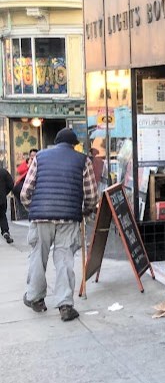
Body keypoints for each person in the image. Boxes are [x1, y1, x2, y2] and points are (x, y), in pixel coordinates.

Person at [20, 130, 97, 321]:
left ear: (55, 142)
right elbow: (92, 195)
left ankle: (35, 298)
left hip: (41, 218)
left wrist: (35, 208)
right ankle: (65, 305)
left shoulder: (39, 157)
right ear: (74, 145)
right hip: (69, 218)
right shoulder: (83, 160)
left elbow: (24, 193)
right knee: (64, 259)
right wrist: (85, 211)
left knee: (38, 256)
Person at [13, 149, 37, 219]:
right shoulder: (26, 162)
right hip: (22, 184)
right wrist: (28, 166)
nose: (33, 157)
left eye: (34, 155)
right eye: (32, 155)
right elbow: (19, 170)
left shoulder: (38, 162)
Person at [0, 160, 13, 243]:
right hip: (1, 199)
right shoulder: (4, 172)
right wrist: (5, 193)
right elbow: (11, 184)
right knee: (2, 216)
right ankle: (5, 231)